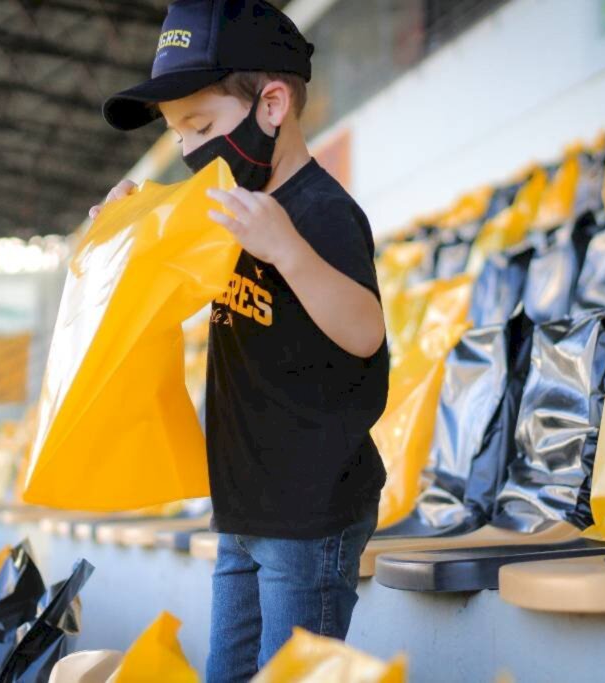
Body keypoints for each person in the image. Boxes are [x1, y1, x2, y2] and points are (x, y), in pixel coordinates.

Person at [93, 2, 389, 680]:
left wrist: (288, 251)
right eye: (178, 137)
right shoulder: (221, 212)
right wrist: (128, 228)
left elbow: (365, 329)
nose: (192, 151)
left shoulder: (323, 212)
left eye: (201, 126)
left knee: (289, 671)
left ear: (273, 105)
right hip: (244, 504)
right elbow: (159, 291)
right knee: (227, 669)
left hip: (311, 512)